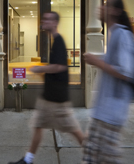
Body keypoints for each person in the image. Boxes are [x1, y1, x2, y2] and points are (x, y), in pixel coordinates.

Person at [9, 11, 84, 164]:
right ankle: (28, 160)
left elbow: (59, 66)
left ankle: (94, 155)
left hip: (57, 99)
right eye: (44, 19)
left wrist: (39, 69)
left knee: (73, 129)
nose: (45, 21)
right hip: (49, 97)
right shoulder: (54, 41)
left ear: (55, 23)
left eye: (48, 20)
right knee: (38, 125)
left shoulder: (59, 41)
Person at [82, 0, 134, 164]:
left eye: (106, 5)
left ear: (115, 11)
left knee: (106, 159)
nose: (101, 7)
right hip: (103, 112)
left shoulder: (122, 35)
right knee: (92, 156)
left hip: (112, 113)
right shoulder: (114, 34)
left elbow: (126, 71)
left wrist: (96, 61)